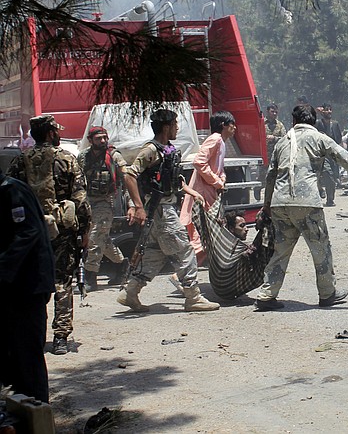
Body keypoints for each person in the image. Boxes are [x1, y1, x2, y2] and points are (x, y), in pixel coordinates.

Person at [254, 104, 348, 311]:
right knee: (321, 249)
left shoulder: (283, 141)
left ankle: (266, 295)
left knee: (281, 250)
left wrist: (267, 205)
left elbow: (270, 176)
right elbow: (344, 158)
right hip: (307, 203)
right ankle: (327, 293)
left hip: (280, 204)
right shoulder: (319, 138)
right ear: (313, 121)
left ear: (293, 121)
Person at [118, 109, 220, 312]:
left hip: (162, 210)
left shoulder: (167, 150)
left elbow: (174, 180)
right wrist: (138, 206)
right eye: (174, 125)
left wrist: (192, 192)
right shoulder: (151, 150)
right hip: (161, 210)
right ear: (166, 127)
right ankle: (193, 297)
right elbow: (130, 175)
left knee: (156, 254)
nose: (177, 128)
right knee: (185, 250)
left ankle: (130, 292)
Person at [8, 114, 91, 356]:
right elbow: (81, 200)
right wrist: (85, 231)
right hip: (62, 231)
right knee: (63, 280)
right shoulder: (67, 159)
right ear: (51, 133)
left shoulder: (20, 161)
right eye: (57, 131)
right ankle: (61, 337)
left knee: (33, 281)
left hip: (30, 231)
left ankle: (34, 334)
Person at [0, 168, 56, 402]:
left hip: (27, 286)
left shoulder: (12, 191)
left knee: (28, 355)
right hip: (10, 288)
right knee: (10, 354)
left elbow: (28, 233)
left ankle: (38, 412)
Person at [180, 110, 237, 265]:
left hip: (209, 192)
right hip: (203, 194)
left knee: (208, 236)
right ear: (223, 125)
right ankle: (183, 274)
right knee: (205, 236)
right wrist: (217, 182)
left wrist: (221, 179)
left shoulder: (221, 142)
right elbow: (199, 162)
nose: (235, 128)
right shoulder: (216, 139)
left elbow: (218, 167)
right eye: (232, 124)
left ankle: (186, 274)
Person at [78, 126, 129, 291]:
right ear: (90, 140)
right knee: (102, 239)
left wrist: (132, 204)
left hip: (105, 202)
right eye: (99, 138)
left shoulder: (114, 156)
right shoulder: (83, 157)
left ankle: (90, 277)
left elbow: (127, 178)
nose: (103, 141)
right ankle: (122, 264)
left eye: (105, 137)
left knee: (94, 238)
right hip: (87, 202)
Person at [315, 102, 344, 206]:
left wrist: (342, 154)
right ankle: (320, 190)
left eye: (330, 109)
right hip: (321, 155)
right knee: (327, 174)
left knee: (333, 177)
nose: (329, 111)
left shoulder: (335, 124)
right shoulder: (318, 123)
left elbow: (339, 141)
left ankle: (330, 199)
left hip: (333, 154)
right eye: (327, 109)